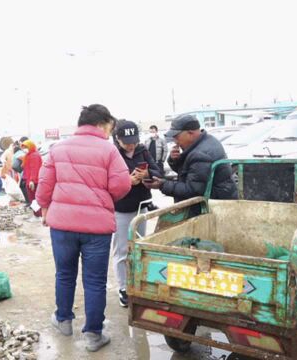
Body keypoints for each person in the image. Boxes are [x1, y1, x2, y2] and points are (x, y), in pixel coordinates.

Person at [36, 104, 131, 353]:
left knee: (64, 274)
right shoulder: (109, 150)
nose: (111, 132)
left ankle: (64, 321)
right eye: (110, 127)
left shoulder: (58, 149)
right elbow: (121, 185)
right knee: (95, 281)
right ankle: (93, 335)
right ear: (101, 124)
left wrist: (45, 207)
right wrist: (104, 198)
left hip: (62, 226)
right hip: (97, 229)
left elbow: (44, 185)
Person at [145, 114, 238, 216]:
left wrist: (162, 185)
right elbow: (188, 171)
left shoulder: (201, 154)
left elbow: (193, 190)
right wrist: (174, 159)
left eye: (177, 137)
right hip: (218, 202)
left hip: (212, 209)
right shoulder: (205, 140)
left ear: (190, 133)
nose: (175, 141)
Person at [112, 120, 162, 308]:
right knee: (122, 249)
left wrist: (146, 176)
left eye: (133, 141)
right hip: (122, 207)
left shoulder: (143, 150)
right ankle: (124, 287)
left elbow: (158, 171)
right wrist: (127, 181)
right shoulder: (113, 154)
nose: (131, 145)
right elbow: (108, 181)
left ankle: (138, 282)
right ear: (118, 139)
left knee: (139, 246)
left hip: (142, 205)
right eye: (127, 142)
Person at [21, 139, 43, 217]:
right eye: (23, 148)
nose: (24, 149)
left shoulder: (34, 155)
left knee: (34, 199)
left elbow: (34, 169)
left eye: (25, 147)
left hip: (33, 181)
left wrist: (32, 181)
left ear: (30, 146)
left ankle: (38, 215)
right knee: (32, 199)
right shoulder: (28, 155)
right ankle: (37, 215)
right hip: (29, 180)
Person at [12, 136, 30, 205]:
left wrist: (23, 165)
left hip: (26, 172)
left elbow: (24, 159)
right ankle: (28, 201)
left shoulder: (24, 151)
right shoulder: (23, 150)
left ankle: (29, 202)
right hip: (24, 172)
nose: (20, 144)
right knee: (23, 186)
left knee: (24, 186)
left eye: (21, 143)